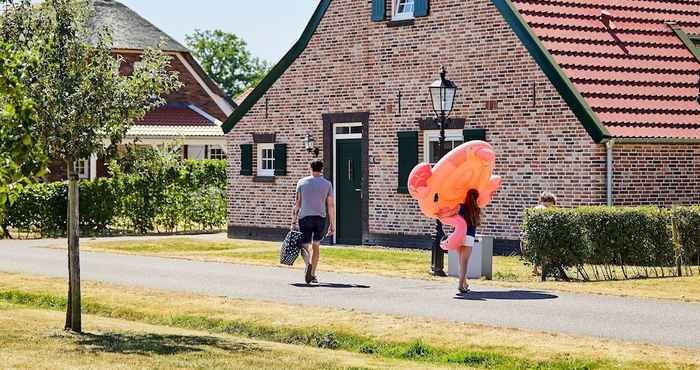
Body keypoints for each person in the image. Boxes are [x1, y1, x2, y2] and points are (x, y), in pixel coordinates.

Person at [291, 160, 336, 284]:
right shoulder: (327, 184)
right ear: (321, 169)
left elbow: (297, 204)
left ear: (310, 168)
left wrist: (293, 222)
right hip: (320, 218)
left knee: (304, 245)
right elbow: (331, 205)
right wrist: (332, 224)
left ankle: (308, 264)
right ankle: (313, 274)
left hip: (304, 217)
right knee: (316, 245)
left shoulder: (301, 182)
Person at [457, 189, 481, 294]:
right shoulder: (477, 209)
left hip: (458, 235)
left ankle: (464, 284)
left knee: (461, 262)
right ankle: (460, 285)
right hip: (469, 237)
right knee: (464, 263)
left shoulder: (460, 207)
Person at [531, 191, 557, 275]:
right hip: (545, 235)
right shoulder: (546, 210)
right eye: (553, 203)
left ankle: (535, 269)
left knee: (538, 252)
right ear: (550, 201)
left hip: (535, 235)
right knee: (546, 253)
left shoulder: (536, 208)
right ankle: (544, 270)